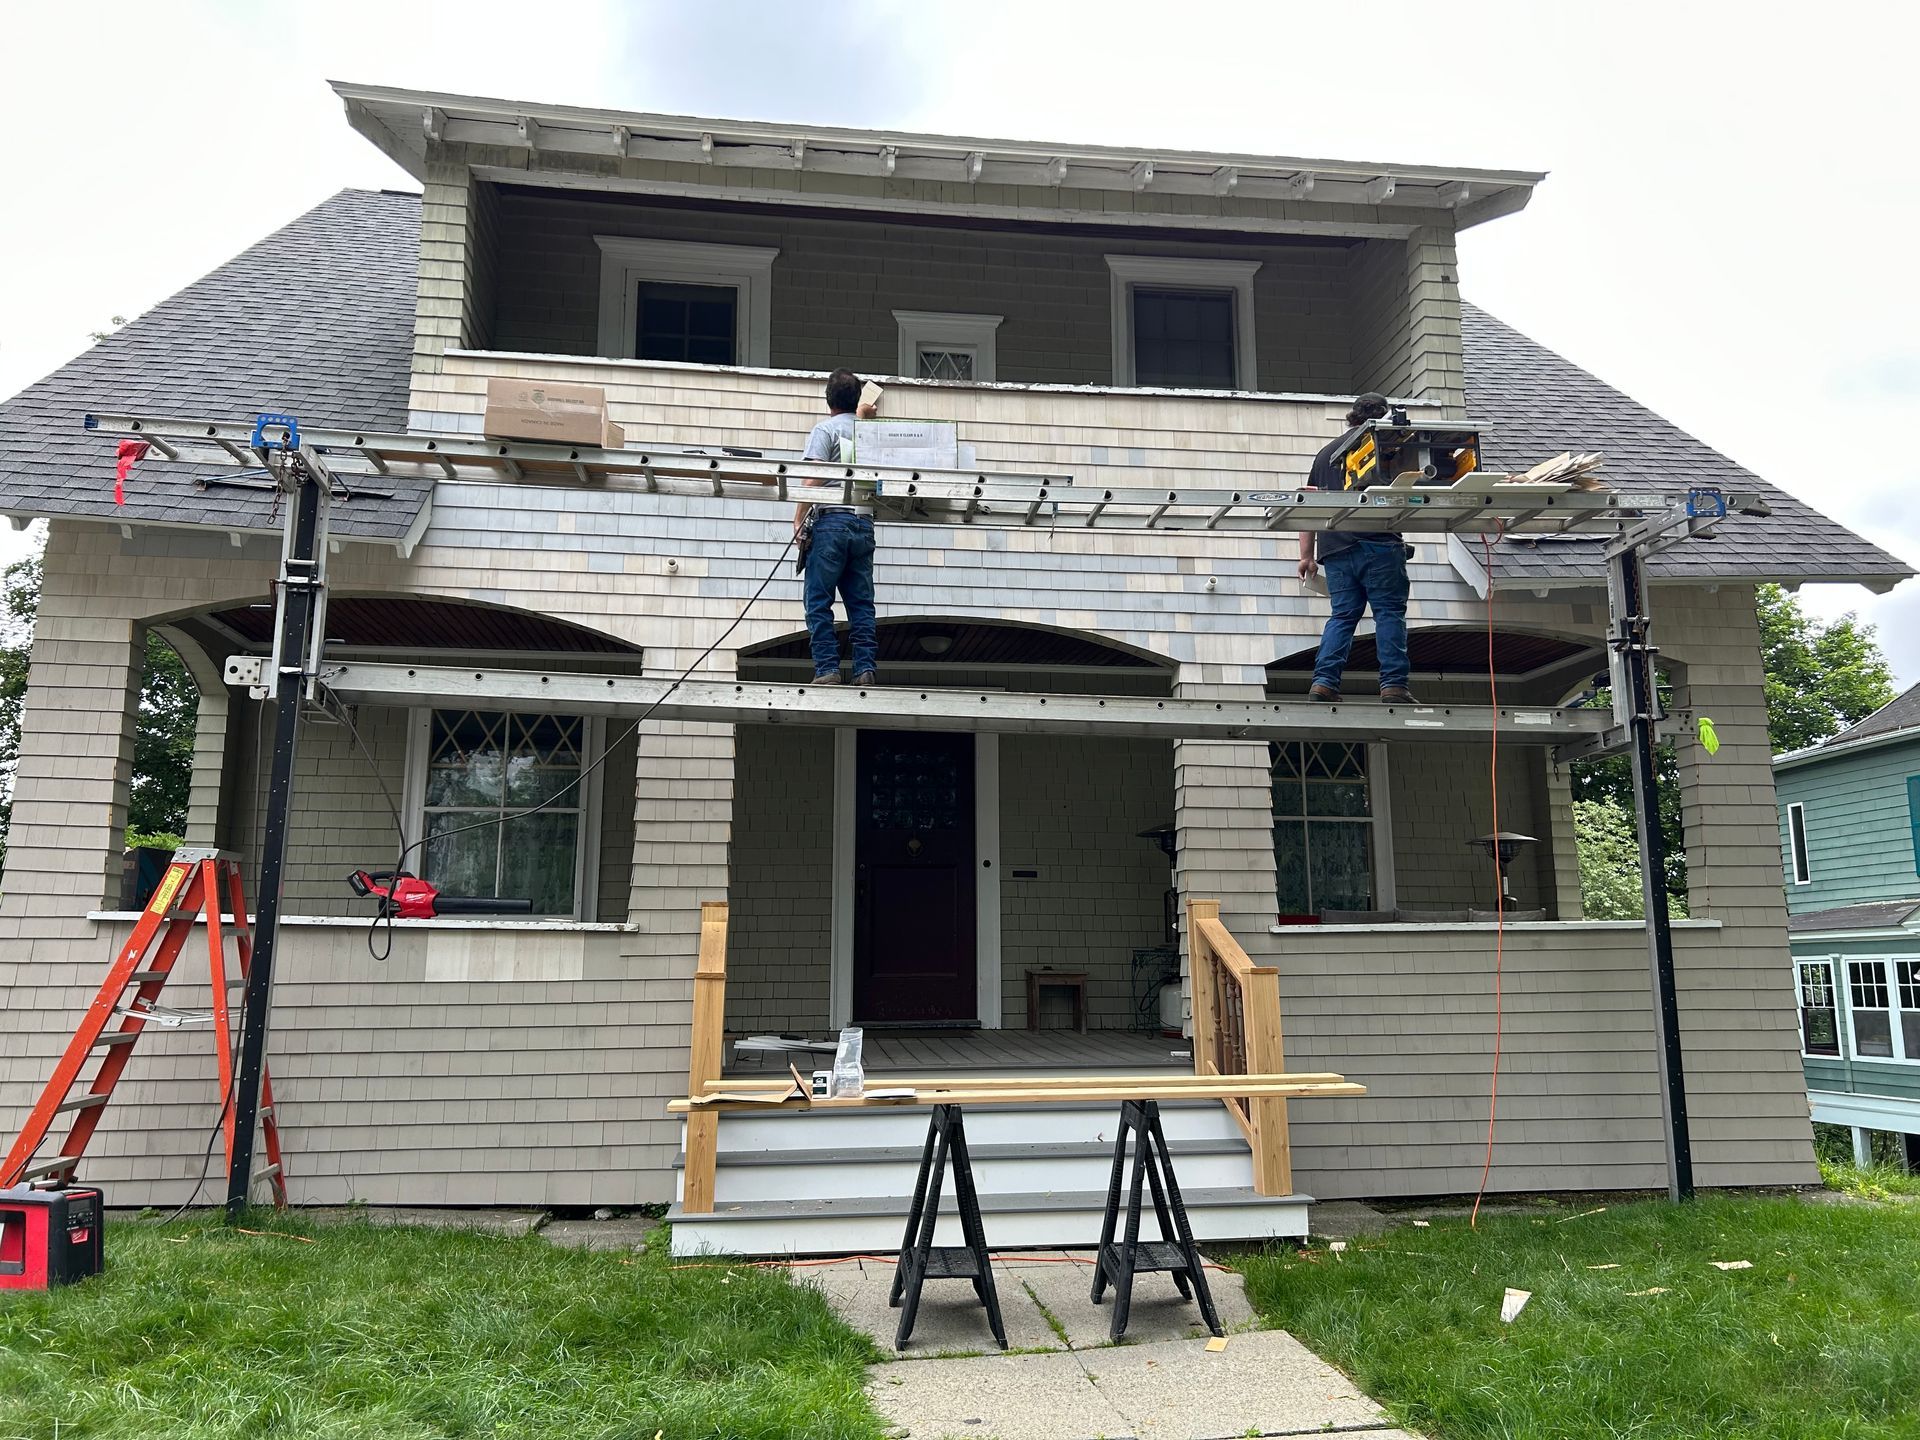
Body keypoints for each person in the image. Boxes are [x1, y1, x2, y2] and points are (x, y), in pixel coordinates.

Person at [1295, 392, 1417, 704]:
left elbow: (1306, 505)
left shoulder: (1325, 454)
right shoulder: (1382, 445)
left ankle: (1323, 684)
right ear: (1384, 417)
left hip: (1335, 549)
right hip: (1378, 543)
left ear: (1353, 416)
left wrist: (1306, 557)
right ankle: (1393, 686)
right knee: (1388, 612)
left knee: (1343, 616)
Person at [795, 368, 879, 685]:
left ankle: (828, 669)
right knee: (860, 603)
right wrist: (864, 414)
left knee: (818, 600)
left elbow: (813, 478)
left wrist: (798, 518)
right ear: (857, 399)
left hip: (832, 522)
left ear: (828, 400)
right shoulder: (870, 432)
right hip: (863, 521)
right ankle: (865, 670)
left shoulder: (825, 430)